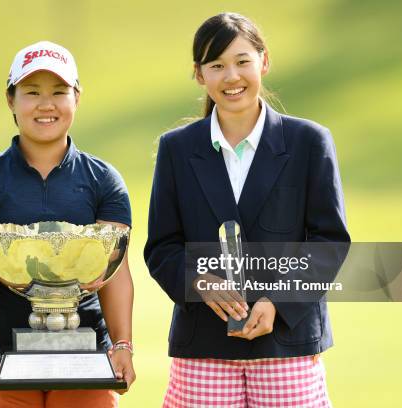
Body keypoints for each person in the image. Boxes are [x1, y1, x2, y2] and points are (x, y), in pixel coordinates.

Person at [144, 13, 350, 407]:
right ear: (199, 75)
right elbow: (162, 247)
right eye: (216, 65)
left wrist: (277, 303)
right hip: (203, 346)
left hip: (287, 344)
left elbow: (329, 243)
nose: (231, 76)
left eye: (242, 61)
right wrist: (199, 281)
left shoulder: (310, 142)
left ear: (264, 61)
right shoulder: (177, 149)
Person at [0, 41, 135, 408]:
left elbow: (117, 271)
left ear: (77, 97)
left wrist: (122, 346)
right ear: (11, 100)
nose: (46, 104)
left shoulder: (103, 179)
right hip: (2, 359)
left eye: (59, 91)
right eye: (31, 92)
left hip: (87, 360)